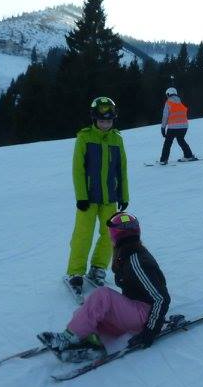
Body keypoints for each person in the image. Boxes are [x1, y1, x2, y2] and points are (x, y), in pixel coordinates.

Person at [42, 211, 170, 360]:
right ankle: (90, 343)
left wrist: (149, 332)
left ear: (116, 235)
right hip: (136, 312)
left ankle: (69, 338)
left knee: (102, 295)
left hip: (145, 316)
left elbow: (161, 298)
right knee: (84, 312)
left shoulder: (137, 261)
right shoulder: (127, 254)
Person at [66, 96, 129, 299]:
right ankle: (75, 272)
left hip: (110, 197)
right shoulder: (84, 137)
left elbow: (121, 170)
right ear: (94, 119)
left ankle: (98, 267)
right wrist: (81, 196)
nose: (105, 124)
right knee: (83, 234)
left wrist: (124, 195)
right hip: (89, 198)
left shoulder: (117, 139)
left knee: (110, 234)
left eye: (108, 121)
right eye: (102, 121)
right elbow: (78, 170)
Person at [159, 87, 197, 164]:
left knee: (168, 143)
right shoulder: (180, 102)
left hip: (173, 127)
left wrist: (163, 128)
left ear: (168, 94)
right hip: (184, 126)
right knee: (181, 140)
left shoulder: (168, 102)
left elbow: (165, 116)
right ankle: (188, 155)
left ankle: (163, 160)